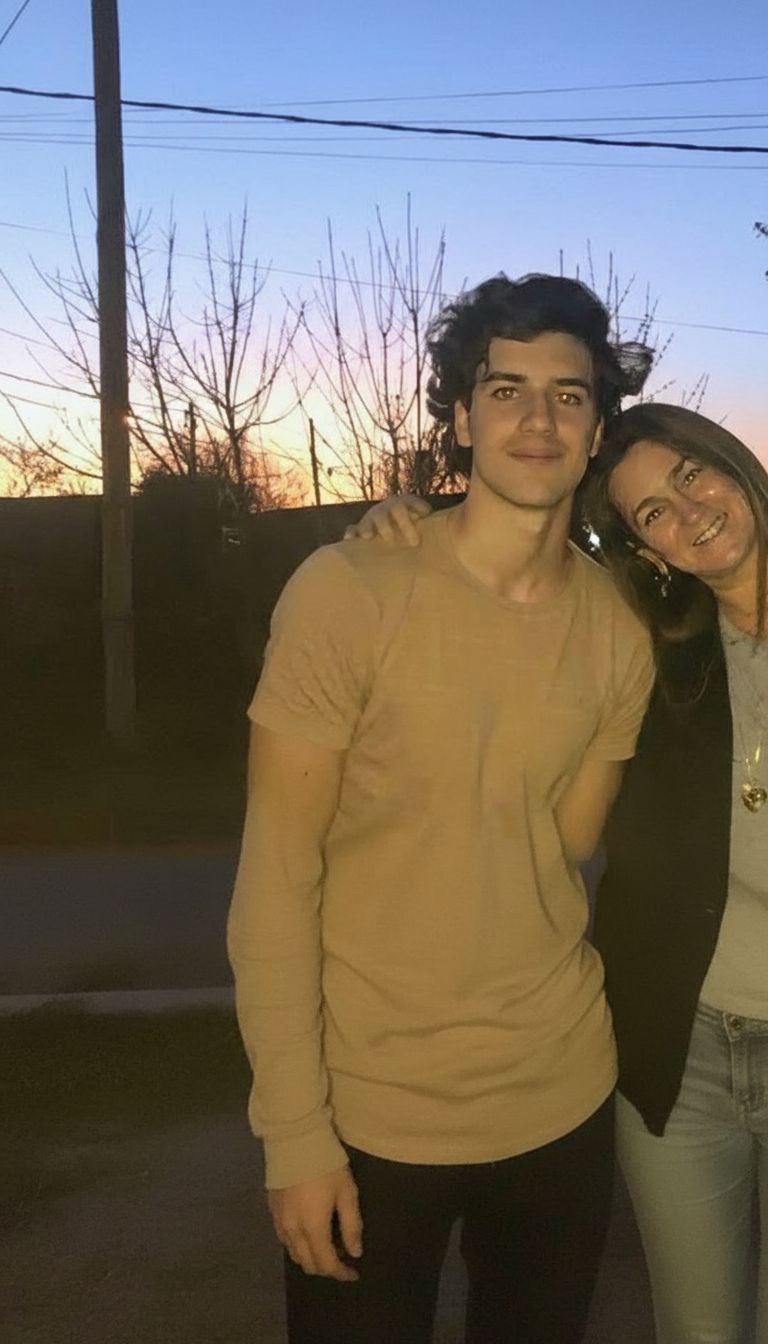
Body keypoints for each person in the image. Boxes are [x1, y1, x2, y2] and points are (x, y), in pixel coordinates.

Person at [227, 272, 655, 1344]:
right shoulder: (347, 592)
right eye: (506, 390)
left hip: (560, 1099)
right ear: (460, 418)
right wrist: (294, 1134)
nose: (538, 419)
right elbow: (275, 879)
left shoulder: (620, 634)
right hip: (372, 1113)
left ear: (597, 429)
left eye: (568, 395)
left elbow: (567, 846)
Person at [355, 400, 768, 1344]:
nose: (688, 511)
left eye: (691, 475)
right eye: (652, 513)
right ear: (646, 550)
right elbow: (520, 587)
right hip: (680, 1055)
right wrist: (414, 523)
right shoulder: (646, 644)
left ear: (733, 462)